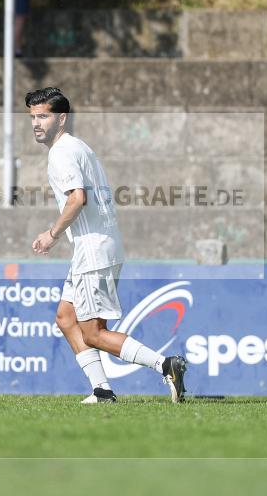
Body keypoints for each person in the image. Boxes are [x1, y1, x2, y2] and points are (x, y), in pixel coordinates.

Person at [26, 87, 188, 404]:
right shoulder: (79, 147)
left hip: (93, 251)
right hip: (100, 246)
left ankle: (165, 365)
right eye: (33, 117)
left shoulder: (62, 153)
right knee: (65, 318)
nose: (36, 123)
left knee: (93, 332)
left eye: (43, 116)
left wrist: (51, 234)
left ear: (61, 119)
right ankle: (102, 391)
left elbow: (77, 198)